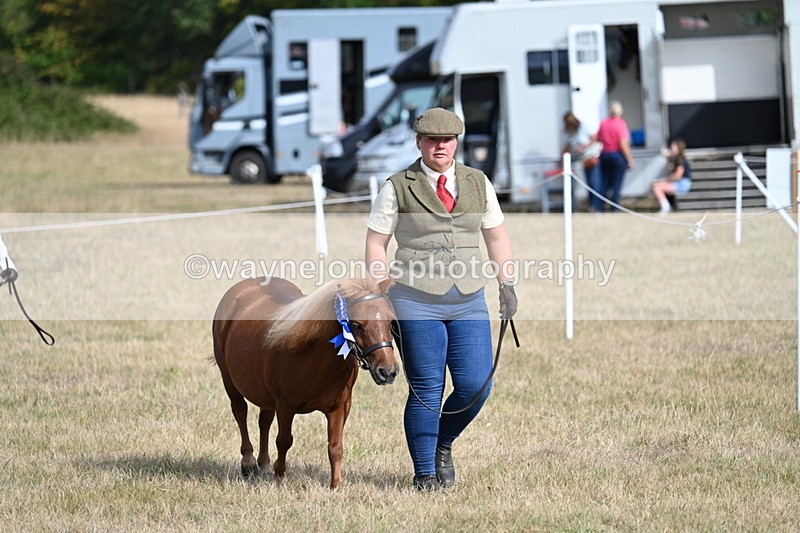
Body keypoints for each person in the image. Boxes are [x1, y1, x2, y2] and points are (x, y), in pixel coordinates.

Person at [364, 107, 517, 492]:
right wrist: (381, 290)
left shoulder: (478, 182)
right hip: (415, 299)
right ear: (419, 142)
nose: (440, 147)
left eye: (447, 140)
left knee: (476, 384)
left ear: (456, 143)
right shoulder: (398, 186)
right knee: (428, 387)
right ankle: (424, 473)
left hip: (467, 298)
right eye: (432, 140)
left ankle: (442, 443)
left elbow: (496, 236)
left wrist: (507, 284)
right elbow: (376, 242)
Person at [595, 101, 634, 212]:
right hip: (617, 155)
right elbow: (623, 144)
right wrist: (629, 159)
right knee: (617, 183)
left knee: (604, 182)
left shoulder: (603, 123)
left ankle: (599, 207)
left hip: (604, 155)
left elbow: (598, 138)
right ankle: (614, 208)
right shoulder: (621, 124)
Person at [563, 111, 602, 212]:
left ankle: (596, 206)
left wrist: (584, 147)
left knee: (594, 183)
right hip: (582, 160)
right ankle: (591, 206)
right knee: (589, 184)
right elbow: (568, 145)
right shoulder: (571, 132)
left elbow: (594, 137)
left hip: (591, 157)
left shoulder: (583, 127)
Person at [651, 138, 692, 213]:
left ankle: (666, 207)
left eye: (673, 146)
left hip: (682, 184)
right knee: (656, 186)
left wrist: (662, 180)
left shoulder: (681, 160)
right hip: (677, 183)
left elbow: (677, 176)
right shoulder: (674, 159)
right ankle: (667, 205)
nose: (671, 148)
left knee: (657, 187)